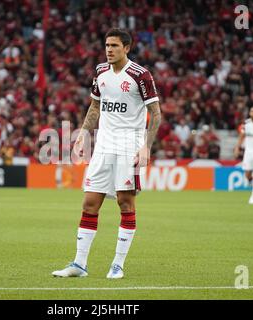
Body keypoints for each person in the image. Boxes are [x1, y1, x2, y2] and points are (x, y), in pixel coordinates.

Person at [52, 28, 161, 279]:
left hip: (128, 145)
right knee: (90, 203)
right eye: (106, 45)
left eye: (114, 45)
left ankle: (118, 264)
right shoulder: (101, 72)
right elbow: (95, 106)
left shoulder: (140, 75)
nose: (109, 49)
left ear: (126, 48)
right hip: (103, 144)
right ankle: (79, 264)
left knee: (125, 202)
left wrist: (146, 146)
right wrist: (82, 133)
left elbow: (155, 113)